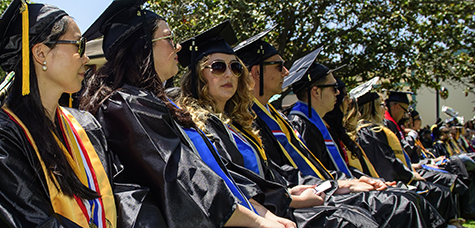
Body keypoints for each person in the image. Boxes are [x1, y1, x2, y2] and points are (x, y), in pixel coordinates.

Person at [80, 1, 292, 227]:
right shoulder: (126, 104)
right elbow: (181, 177)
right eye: (169, 39)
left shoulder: (158, 102)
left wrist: (263, 213)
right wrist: (257, 222)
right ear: (144, 47)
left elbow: (218, 171)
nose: (178, 47)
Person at [175, 20, 378, 227]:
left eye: (235, 67)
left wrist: (326, 186)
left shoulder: (234, 124)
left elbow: (272, 173)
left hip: (276, 206)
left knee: (372, 209)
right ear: (198, 75)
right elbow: (230, 186)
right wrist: (290, 198)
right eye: (218, 67)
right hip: (254, 216)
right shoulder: (197, 126)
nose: (229, 74)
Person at [236, 28, 446, 227]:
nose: (286, 71)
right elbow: (274, 176)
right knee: (394, 207)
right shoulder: (250, 121)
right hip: (288, 203)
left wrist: (345, 181)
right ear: (256, 72)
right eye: (279, 65)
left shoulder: (275, 119)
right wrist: (337, 185)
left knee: (402, 200)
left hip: (309, 191)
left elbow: (297, 170)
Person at [0, 1, 116, 227]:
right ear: (41, 53)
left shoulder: (84, 124)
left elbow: (121, 193)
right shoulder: (0, 140)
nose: (86, 57)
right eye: (78, 45)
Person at [354, 91, 461, 227]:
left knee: (441, 185)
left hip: (396, 176)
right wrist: (410, 175)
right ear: (372, 107)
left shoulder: (371, 130)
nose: (385, 108)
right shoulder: (369, 132)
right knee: (434, 192)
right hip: (390, 180)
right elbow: (387, 163)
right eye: (381, 105)